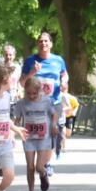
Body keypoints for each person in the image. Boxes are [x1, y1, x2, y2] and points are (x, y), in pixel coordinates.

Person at [20, 31, 67, 174]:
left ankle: (47, 162)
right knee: (40, 130)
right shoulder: (30, 61)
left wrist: (64, 82)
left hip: (54, 101)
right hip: (36, 104)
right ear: (37, 44)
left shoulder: (58, 60)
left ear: (51, 44)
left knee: (53, 131)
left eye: (46, 41)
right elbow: (22, 83)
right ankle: (41, 161)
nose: (43, 43)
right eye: (40, 41)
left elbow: (64, 75)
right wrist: (32, 72)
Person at [15, 76, 59, 191]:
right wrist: (14, 129)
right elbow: (17, 120)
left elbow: (54, 114)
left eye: (34, 93)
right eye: (28, 93)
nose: (32, 96)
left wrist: (54, 125)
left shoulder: (46, 101)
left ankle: (43, 175)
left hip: (43, 137)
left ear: (39, 91)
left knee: (39, 167)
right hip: (28, 138)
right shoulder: (21, 103)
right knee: (30, 167)